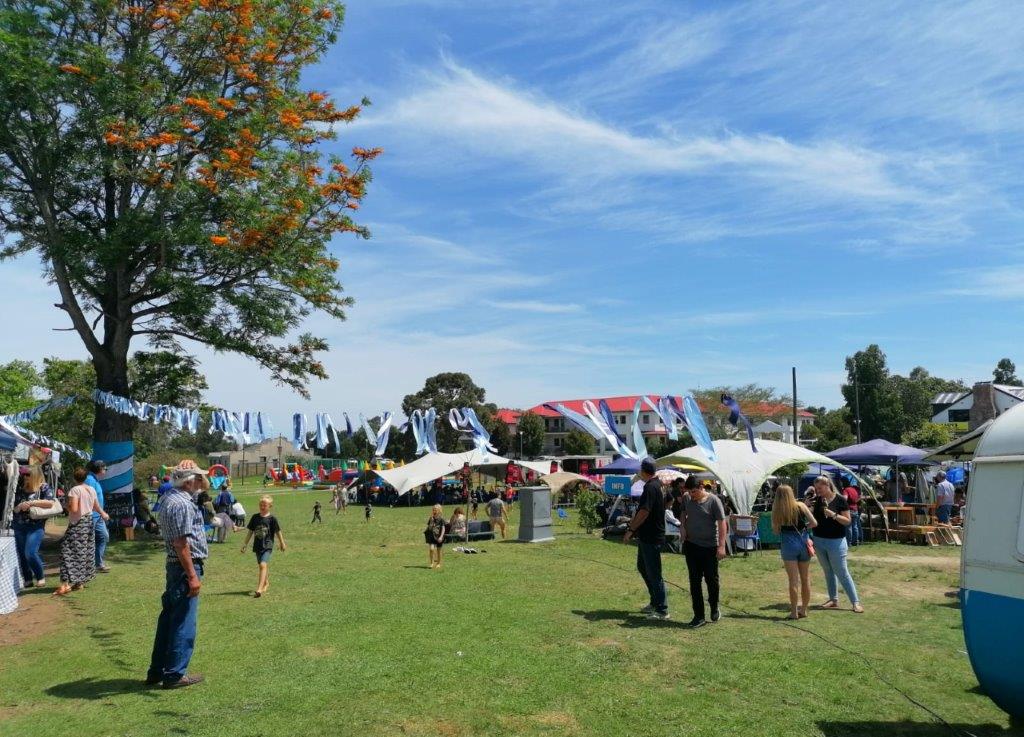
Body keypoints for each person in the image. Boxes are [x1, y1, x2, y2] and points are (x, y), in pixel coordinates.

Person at [146, 459, 209, 688]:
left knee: (169, 618)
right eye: (199, 479)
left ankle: (158, 670)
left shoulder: (169, 498)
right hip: (184, 566)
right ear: (190, 481)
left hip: (175, 566)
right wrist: (192, 575)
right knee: (183, 621)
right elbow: (181, 543)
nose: (202, 482)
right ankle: (174, 673)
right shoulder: (182, 503)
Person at [809, 475, 863, 613]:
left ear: (828, 486)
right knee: (828, 571)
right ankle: (833, 599)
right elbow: (813, 520)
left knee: (842, 572)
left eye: (820, 488)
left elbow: (847, 521)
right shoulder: (817, 500)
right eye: (816, 488)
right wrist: (808, 508)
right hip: (819, 540)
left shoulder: (840, 500)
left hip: (836, 542)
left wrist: (833, 515)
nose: (818, 491)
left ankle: (855, 602)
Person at [623, 458, 668, 620]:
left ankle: (662, 609)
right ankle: (655, 601)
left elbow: (643, 512)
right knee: (643, 567)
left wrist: (630, 529)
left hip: (651, 536)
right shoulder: (656, 485)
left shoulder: (651, 487)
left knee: (654, 573)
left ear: (643, 471)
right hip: (647, 535)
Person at [681, 475, 727, 628]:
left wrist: (721, 546)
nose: (691, 495)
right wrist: (683, 526)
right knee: (694, 582)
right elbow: (683, 512)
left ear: (701, 488)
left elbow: (722, 523)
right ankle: (698, 616)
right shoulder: (687, 498)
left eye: (694, 492)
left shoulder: (713, 501)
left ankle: (714, 607)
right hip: (691, 545)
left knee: (711, 580)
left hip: (709, 547)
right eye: (689, 492)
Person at [54, 468, 107, 596]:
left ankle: (65, 584)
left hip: (78, 524)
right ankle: (79, 582)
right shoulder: (91, 489)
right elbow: (96, 506)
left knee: (67, 551)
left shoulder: (75, 490)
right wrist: (103, 513)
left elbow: (74, 508)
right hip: (88, 523)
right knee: (85, 552)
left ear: (74, 478)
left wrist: (65, 505)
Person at [771, 484, 818, 620]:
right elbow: (814, 523)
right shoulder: (801, 506)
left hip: (788, 545)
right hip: (803, 543)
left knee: (793, 580)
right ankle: (804, 609)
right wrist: (804, 528)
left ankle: (793, 612)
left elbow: (775, 531)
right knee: (805, 578)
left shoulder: (777, 509)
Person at [12, 465, 58, 589]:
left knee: (30, 552)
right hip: (19, 525)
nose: (25, 477)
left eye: (28, 475)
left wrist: (31, 503)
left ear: (35, 475)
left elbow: (50, 503)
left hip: (36, 526)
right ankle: (27, 579)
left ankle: (40, 576)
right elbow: (14, 509)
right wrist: (19, 507)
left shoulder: (43, 487)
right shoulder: (21, 488)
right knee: (22, 554)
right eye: (24, 475)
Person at [240, 495, 287, 598]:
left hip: (268, 545)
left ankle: (259, 589)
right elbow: (250, 532)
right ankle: (266, 583)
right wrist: (245, 544)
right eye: (260, 505)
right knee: (262, 566)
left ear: (270, 506)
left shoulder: (272, 519)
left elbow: (278, 531)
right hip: (257, 545)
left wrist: (282, 543)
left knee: (263, 565)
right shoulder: (255, 517)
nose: (262, 506)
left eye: (264, 505)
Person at [85, 460, 110, 573]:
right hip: (91, 516)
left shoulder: (94, 479)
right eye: (105, 468)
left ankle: (98, 563)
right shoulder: (90, 480)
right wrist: (101, 512)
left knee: (104, 537)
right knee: (88, 540)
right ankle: (89, 565)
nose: (106, 470)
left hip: (98, 516)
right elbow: (90, 500)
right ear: (100, 469)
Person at [424, 504, 446, 569]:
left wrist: (441, 536)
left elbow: (443, 528)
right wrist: (431, 521)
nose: (434, 511)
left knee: (438, 551)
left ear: (439, 511)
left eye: (435, 510)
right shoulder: (431, 518)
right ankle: (431, 563)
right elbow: (429, 527)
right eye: (433, 510)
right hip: (431, 536)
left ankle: (438, 563)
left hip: (439, 537)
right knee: (431, 549)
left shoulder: (441, 519)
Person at [842, 481, 862, 546]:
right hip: (855, 509)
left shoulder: (846, 490)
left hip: (849, 510)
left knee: (848, 527)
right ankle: (856, 541)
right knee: (855, 526)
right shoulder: (854, 489)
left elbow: (845, 499)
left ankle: (848, 542)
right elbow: (859, 497)